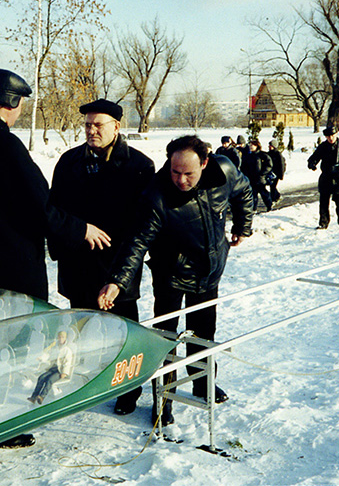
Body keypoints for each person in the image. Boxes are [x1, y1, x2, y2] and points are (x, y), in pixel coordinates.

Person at [0, 69, 110, 448]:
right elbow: (40, 207)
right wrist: (81, 229)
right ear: (11, 102)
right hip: (11, 267)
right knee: (11, 348)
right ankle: (4, 424)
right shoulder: (4, 145)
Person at [98, 135, 254, 425]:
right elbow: (136, 242)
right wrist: (117, 281)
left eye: (188, 173)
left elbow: (244, 191)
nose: (181, 180)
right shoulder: (156, 196)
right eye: (175, 172)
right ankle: (164, 399)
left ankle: (201, 382)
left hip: (209, 271)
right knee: (166, 338)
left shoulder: (224, 170)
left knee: (204, 332)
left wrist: (244, 225)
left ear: (205, 163)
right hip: (171, 275)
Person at [47, 98, 154, 416]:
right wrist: (72, 238)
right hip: (78, 262)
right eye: (88, 125)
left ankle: (128, 389)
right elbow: (54, 211)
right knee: (81, 332)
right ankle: (85, 384)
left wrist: (121, 274)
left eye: (99, 124)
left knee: (124, 332)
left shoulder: (139, 166)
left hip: (116, 265)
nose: (92, 130)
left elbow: (141, 226)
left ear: (116, 127)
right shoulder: (68, 162)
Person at [307, 126, 339, 229]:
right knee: (324, 202)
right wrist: (312, 163)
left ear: (336, 134)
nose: (330, 138)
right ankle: (323, 223)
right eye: (328, 136)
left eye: (332, 135)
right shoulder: (323, 146)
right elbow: (314, 157)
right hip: (326, 177)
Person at [27, 330, 75, 405]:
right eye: (59, 337)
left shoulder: (67, 350)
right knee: (41, 377)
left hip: (60, 371)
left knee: (49, 380)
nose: (60, 339)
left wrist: (64, 372)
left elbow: (68, 363)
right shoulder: (55, 348)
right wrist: (41, 358)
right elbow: (48, 355)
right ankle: (34, 397)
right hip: (52, 368)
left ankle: (41, 397)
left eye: (62, 337)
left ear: (65, 339)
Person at [241, 139, 274, 211]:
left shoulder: (263, 155)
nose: (251, 147)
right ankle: (253, 209)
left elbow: (269, 165)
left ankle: (269, 206)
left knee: (264, 194)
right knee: (253, 195)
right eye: (250, 145)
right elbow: (244, 166)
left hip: (260, 179)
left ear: (257, 146)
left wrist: (262, 174)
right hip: (251, 179)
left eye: (252, 145)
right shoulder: (248, 156)